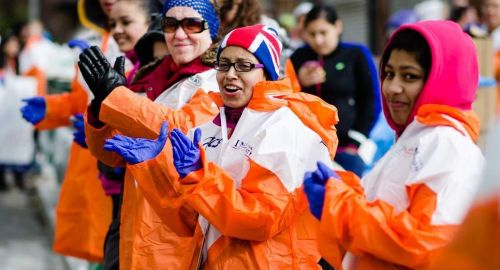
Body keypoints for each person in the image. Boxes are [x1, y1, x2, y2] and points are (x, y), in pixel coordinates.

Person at [103, 24, 339, 269]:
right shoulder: (212, 124)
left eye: (244, 65)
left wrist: (199, 175)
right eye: (223, 64)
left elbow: (262, 218)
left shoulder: (287, 127)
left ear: (267, 73)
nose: (230, 74)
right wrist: (156, 169)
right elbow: (191, 219)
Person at [303, 20, 485, 269]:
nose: (392, 87)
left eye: (409, 76)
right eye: (389, 74)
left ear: (445, 79)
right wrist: (341, 189)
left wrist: (340, 205)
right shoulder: (416, 138)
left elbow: (426, 246)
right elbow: (388, 215)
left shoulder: (447, 145)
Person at [79, 0, 221, 268]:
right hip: (133, 216)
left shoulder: (219, 79)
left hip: (180, 224)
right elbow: (112, 153)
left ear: (211, 30)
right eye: (170, 24)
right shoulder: (152, 75)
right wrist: (100, 110)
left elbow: (179, 128)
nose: (179, 34)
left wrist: (116, 97)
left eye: (192, 24)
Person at [19, 0, 122, 262]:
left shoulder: (142, 40)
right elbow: (81, 100)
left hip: (120, 165)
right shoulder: (102, 37)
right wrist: (51, 108)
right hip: (93, 160)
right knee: (99, 247)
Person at [290, 3, 380, 176]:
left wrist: (357, 140)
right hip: (306, 147)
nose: (318, 40)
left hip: (347, 147)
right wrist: (298, 81)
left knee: (346, 196)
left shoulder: (356, 54)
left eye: (323, 32)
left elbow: (371, 100)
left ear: (337, 27)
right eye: (312, 34)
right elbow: (284, 96)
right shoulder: (299, 57)